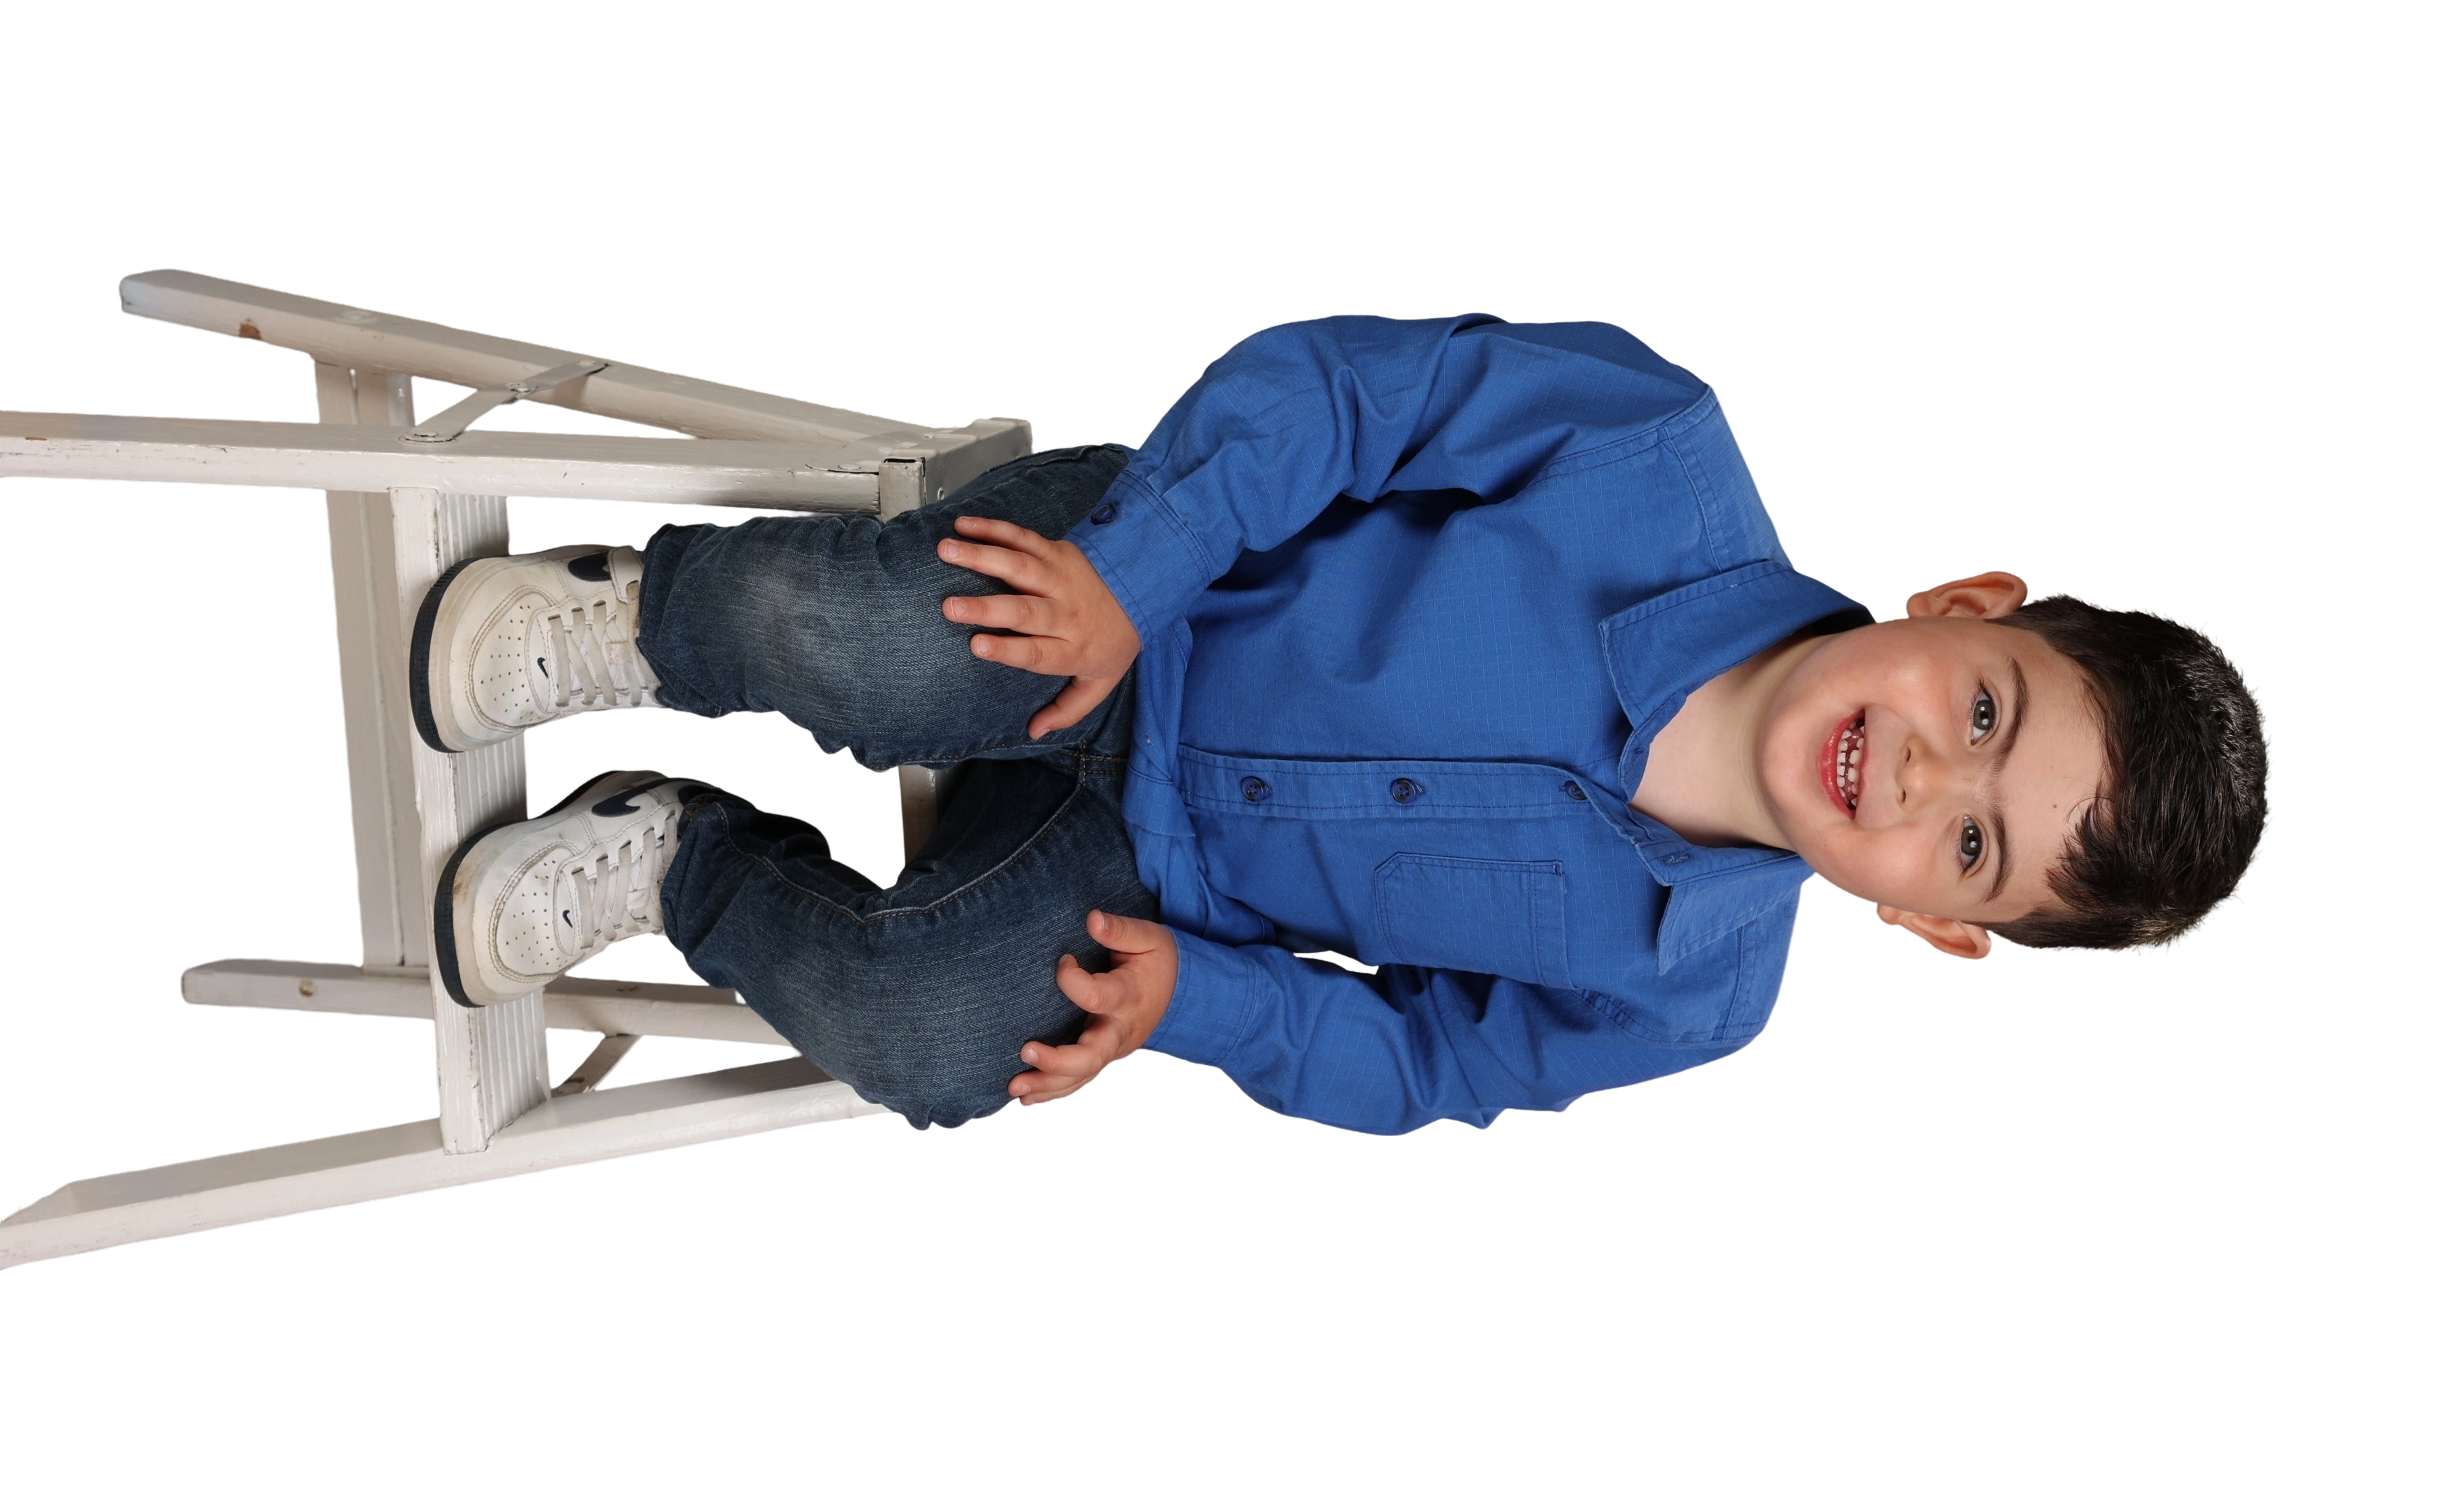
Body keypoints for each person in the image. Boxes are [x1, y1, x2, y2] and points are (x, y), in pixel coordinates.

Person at [407, 314, 2276, 1137]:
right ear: (1971, 605)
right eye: (1981, 712)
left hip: (1154, 884)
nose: (1928, 777)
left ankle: (670, 851)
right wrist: (1137, 570)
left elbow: (1430, 1062)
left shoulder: (1695, 993)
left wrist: (1201, 1004)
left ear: (1941, 925)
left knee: (936, 1038)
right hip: (1145, 606)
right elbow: (1349, 394)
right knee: (888, 645)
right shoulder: (1657, 455)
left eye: (1974, 845)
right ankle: (627, 624)